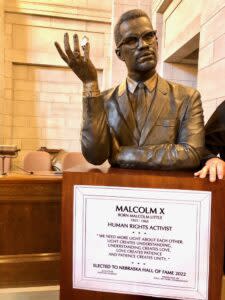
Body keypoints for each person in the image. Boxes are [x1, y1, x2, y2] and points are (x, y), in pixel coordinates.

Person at [55, 9, 224, 179]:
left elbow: (191, 154)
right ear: (119, 54)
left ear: (156, 42)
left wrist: (123, 154)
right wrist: (89, 85)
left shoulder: (187, 97)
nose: (143, 45)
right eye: (131, 40)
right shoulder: (104, 101)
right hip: (119, 195)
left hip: (168, 197)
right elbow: (95, 156)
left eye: (148, 36)